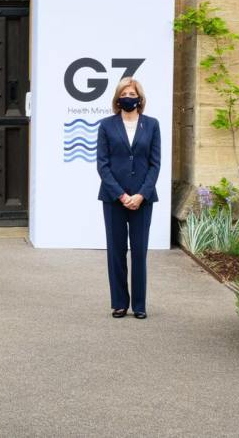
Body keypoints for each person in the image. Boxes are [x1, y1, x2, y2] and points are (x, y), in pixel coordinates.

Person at [96, 77, 161, 319]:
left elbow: (155, 164)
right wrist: (122, 195)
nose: (128, 98)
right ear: (117, 98)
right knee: (116, 251)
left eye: (132, 94)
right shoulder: (106, 125)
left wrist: (141, 194)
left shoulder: (151, 125)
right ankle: (119, 303)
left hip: (143, 199)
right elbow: (102, 165)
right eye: (124, 94)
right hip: (114, 199)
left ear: (139, 98)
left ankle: (140, 305)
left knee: (139, 252)